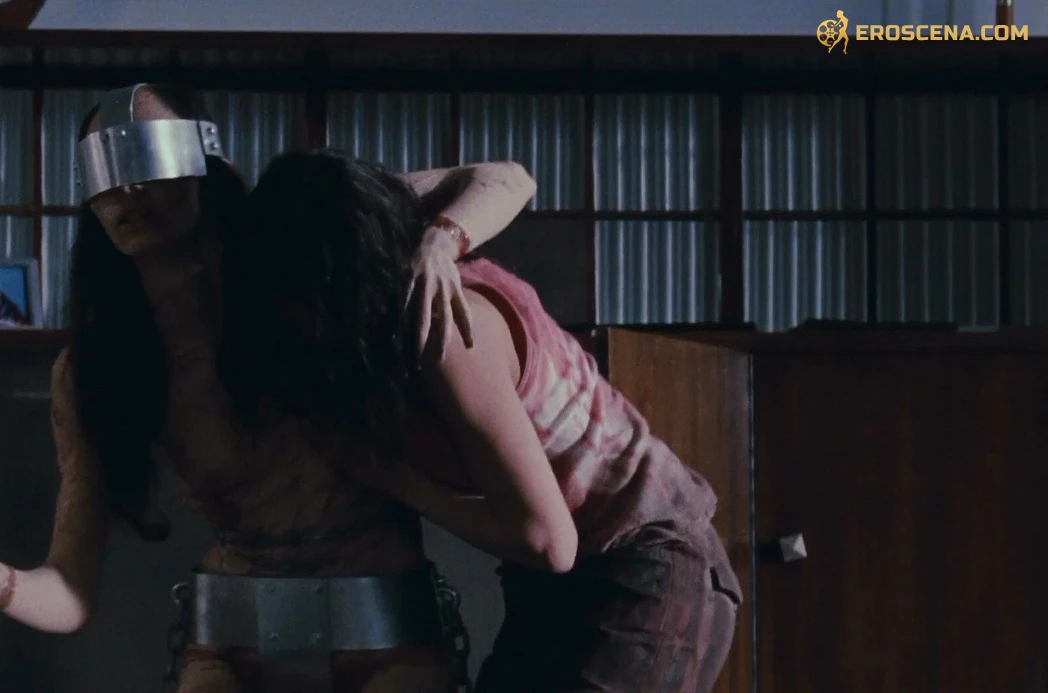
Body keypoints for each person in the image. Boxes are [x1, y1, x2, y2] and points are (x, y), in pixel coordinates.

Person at [0, 84, 536, 693]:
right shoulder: (94, 368)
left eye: (147, 158)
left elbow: (507, 178)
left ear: (202, 157)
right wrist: (3, 583)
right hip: (231, 641)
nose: (129, 189)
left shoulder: (300, 247)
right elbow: (70, 589)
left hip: (386, 626)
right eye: (106, 171)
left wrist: (440, 241)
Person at [218, 149, 744, 693]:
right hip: (553, 582)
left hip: (643, 565)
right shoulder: (310, 223)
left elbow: (549, 541)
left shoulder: (439, 329)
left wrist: (388, 475)